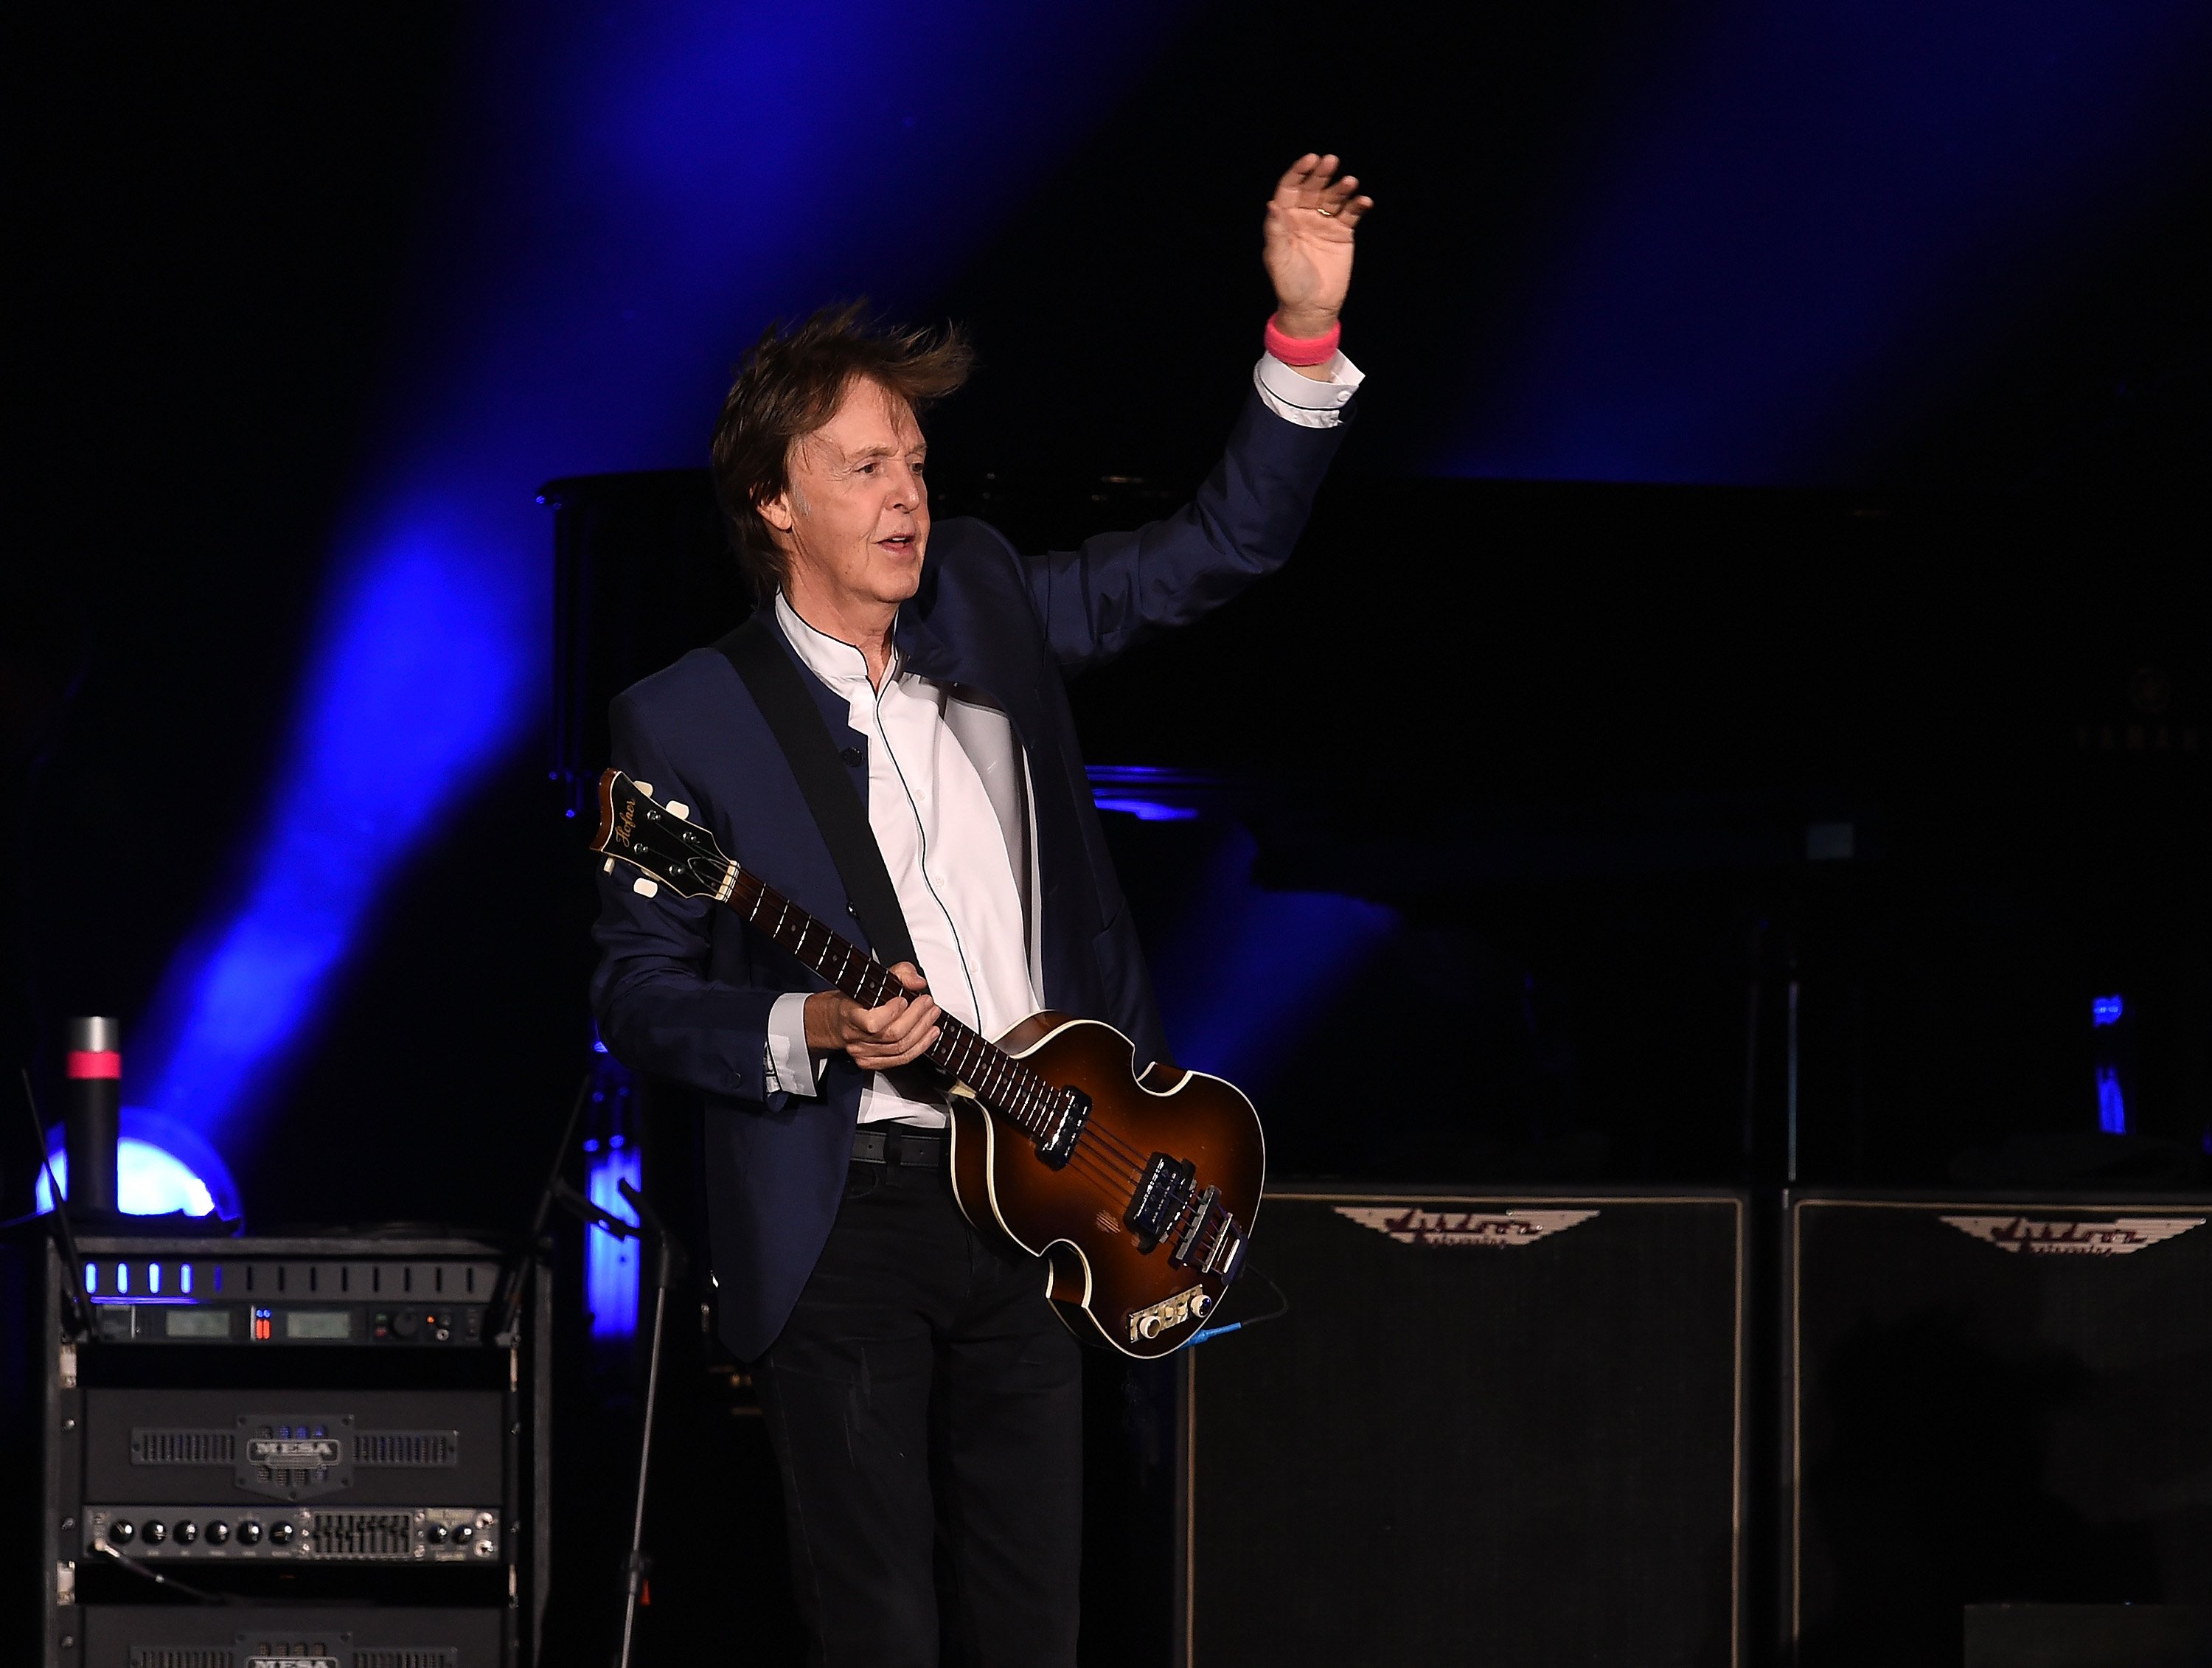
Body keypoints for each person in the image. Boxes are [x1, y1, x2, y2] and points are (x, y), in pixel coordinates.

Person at [590, 153, 1371, 1667]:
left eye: (918, 464)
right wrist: (809, 1019)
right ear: (774, 504)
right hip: (849, 1208)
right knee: (878, 1626)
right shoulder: (684, 722)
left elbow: (1227, 549)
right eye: (866, 467)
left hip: (1051, 1189)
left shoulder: (990, 599)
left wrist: (1302, 344)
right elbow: (636, 988)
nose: (908, 497)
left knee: (1037, 1622)